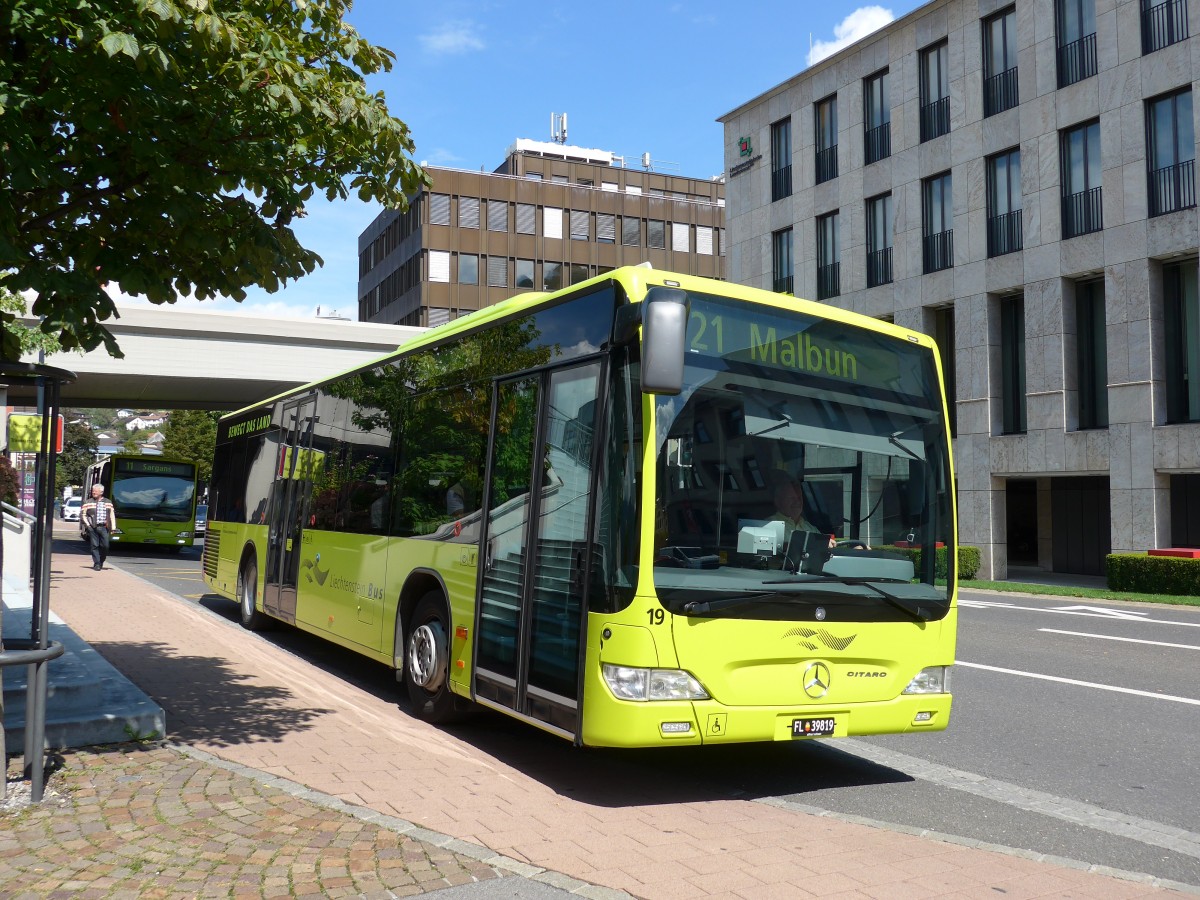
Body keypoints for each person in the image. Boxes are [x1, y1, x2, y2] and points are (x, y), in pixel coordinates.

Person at [768, 471, 835, 549]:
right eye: (792, 498)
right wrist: (810, 544)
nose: (797, 502)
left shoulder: (810, 528)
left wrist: (826, 543)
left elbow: (823, 546)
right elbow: (772, 548)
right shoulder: (769, 526)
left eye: (799, 498)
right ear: (778, 501)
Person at [81, 483, 116, 571]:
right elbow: (83, 515)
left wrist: (113, 527)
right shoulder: (88, 502)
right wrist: (88, 526)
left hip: (104, 527)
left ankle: (101, 561)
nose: (93, 492)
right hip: (92, 527)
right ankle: (97, 563)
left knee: (105, 546)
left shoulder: (108, 502)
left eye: (95, 491)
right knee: (94, 546)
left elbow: (112, 515)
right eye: (93, 491)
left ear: (101, 492)